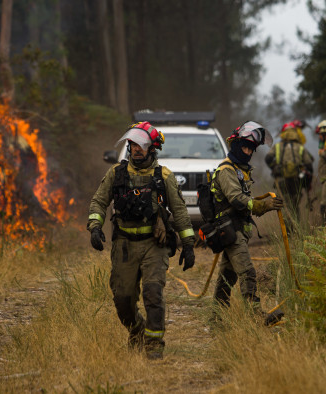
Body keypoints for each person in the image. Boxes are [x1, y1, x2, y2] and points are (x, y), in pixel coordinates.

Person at [87, 121, 196, 360]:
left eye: (142, 145)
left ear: (152, 148)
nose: (136, 149)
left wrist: (188, 244)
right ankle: (136, 330)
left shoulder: (164, 176)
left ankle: (154, 345)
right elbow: (98, 202)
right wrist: (95, 227)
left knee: (153, 292)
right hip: (124, 245)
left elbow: (179, 212)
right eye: (133, 144)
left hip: (153, 245)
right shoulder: (116, 173)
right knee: (122, 299)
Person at [209, 121, 284, 324]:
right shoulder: (226, 170)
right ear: (235, 145)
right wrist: (263, 206)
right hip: (229, 229)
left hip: (237, 228)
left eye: (251, 149)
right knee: (247, 271)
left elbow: (244, 201)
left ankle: (217, 317)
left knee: (227, 275)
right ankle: (256, 315)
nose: (248, 151)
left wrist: (263, 203)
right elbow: (236, 199)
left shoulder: (239, 169)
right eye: (244, 147)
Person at [264, 122, 314, 217]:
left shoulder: (278, 146)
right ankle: (296, 229)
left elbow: (268, 159)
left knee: (284, 205)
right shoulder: (300, 147)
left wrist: (274, 168)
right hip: (296, 181)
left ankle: (287, 230)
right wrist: (306, 176)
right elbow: (309, 165)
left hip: (281, 180)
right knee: (294, 206)